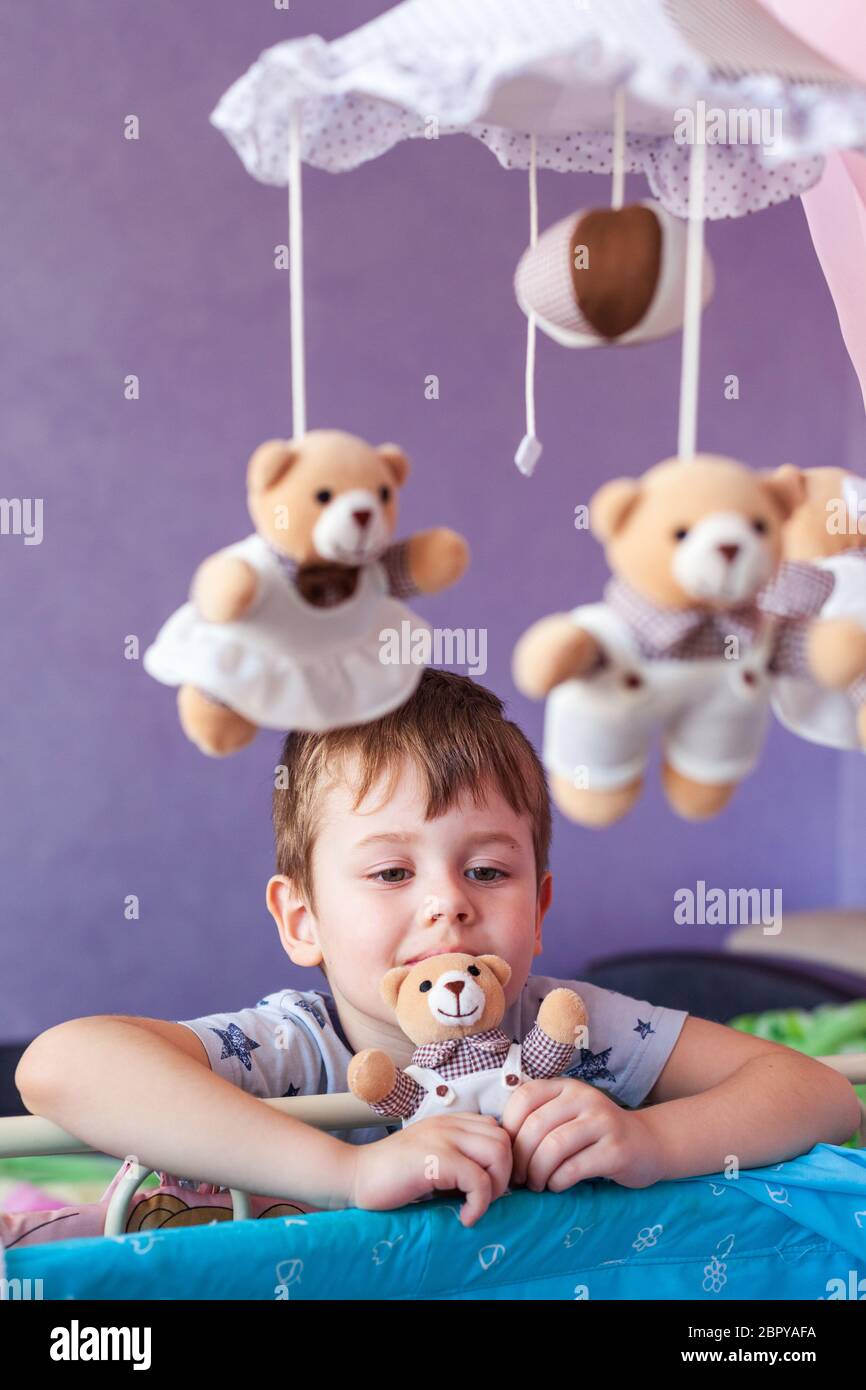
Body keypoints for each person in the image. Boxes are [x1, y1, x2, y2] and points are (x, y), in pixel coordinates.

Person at [10, 671, 859, 1245]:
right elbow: (57, 1066)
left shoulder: (574, 1027)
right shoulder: (292, 1049)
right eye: (390, 871)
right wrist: (349, 1170)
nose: (449, 901)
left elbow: (819, 1094)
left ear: (538, 912)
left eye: (487, 870)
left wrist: (649, 1139)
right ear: (301, 919)